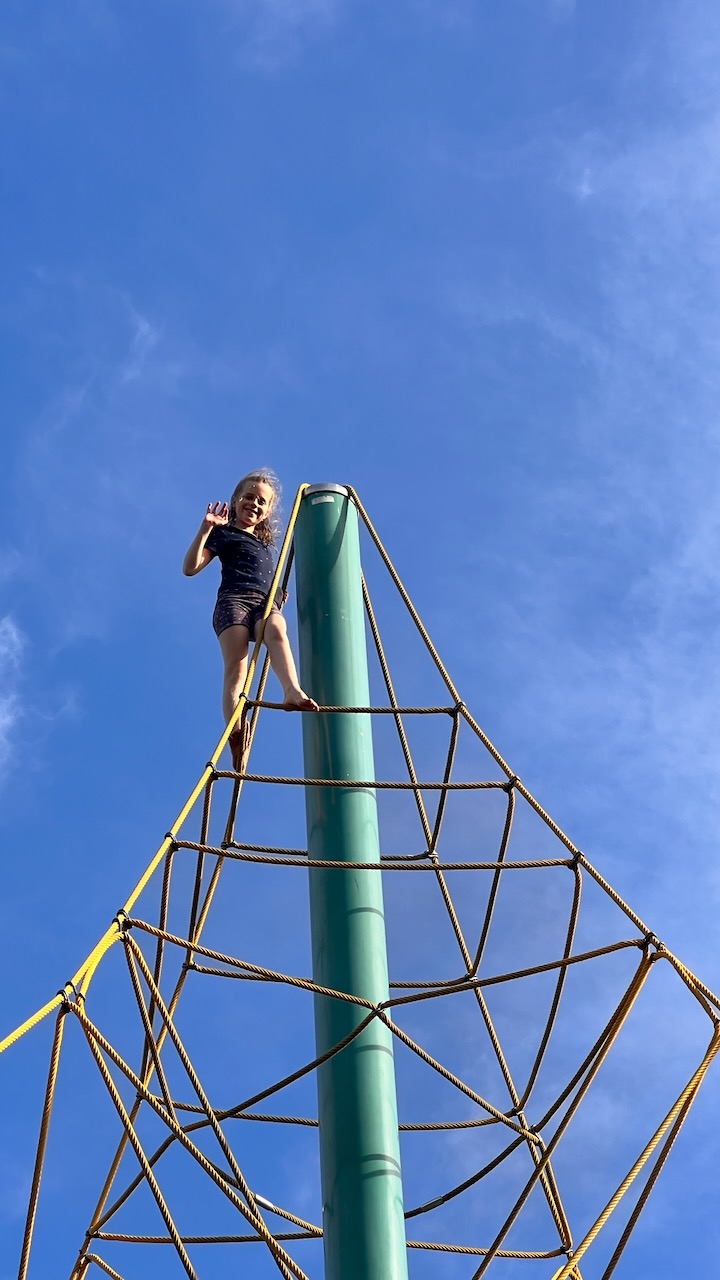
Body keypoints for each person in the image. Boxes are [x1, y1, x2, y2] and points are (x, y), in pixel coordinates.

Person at [183, 469, 318, 768]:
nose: (254, 504)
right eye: (248, 497)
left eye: (261, 501)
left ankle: (291, 691)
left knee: (277, 629)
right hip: (233, 602)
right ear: (235, 501)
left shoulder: (266, 546)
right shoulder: (223, 533)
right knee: (237, 667)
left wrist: (278, 593)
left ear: (268, 510)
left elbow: (267, 578)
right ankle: (235, 729)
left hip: (263, 602)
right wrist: (205, 529)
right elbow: (190, 568)